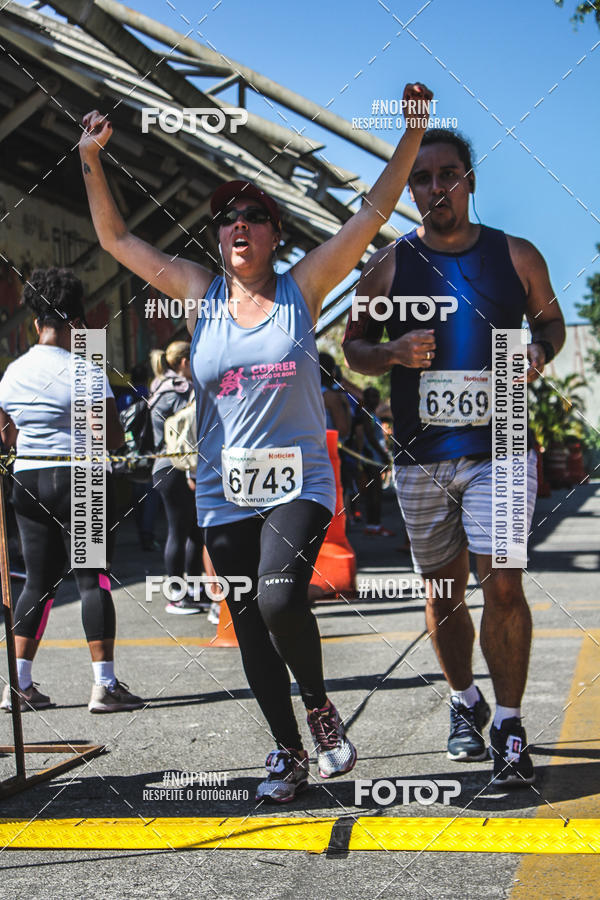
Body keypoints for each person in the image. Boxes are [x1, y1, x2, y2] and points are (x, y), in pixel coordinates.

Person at [78, 82, 433, 801]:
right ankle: (287, 752)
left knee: (277, 600)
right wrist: (90, 158)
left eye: (252, 217)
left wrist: (413, 136)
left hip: (298, 480)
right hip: (220, 487)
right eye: (226, 221)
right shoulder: (199, 293)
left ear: (275, 234)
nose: (236, 226)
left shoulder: (303, 288)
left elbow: (372, 213)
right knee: (246, 620)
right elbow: (115, 240)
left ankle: (321, 708)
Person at [343, 128, 566, 786]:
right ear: (410, 188)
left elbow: (549, 322)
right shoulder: (389, 263)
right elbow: (354, 346)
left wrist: (538, 353)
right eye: (422, 177)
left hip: (499, 446)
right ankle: (464, 700)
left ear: (470, 180)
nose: (435, 187)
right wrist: (390, 353)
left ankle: (510, 721)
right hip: (419, 455)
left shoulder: (516, 255)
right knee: (443, 592)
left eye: (447, 174)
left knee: (502, 582)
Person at [0, 268, 143, 713]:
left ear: (34, 320)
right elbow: (112, 438)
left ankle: (18, 686)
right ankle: (104, 686)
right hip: (82, 479)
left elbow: (5, 436)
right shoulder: (85, 371)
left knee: (38, 581)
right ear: (76, 321)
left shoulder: (11, 373)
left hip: (28, 479)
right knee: (92, 578)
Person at [149, 343, 207, 614]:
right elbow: (192, 432)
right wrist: (193, 472)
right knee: (183, 530)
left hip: (161, 465)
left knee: (191, 530)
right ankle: (178, 594)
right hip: (179, 467)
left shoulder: (158, 387)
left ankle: (191, 591)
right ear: (184, 361)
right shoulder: (183, 389)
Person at [352, 386, 394, 536]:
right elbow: (369, 436)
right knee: (374, 493)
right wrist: (381, 454)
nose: (375, 400)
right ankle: (373, 525)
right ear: (366, 398)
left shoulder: (372, 414)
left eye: (377, 396)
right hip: (371, 458)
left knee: (376, 492)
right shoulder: (366, 415)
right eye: (372, 396)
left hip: (375, 457)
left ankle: (375, 524)